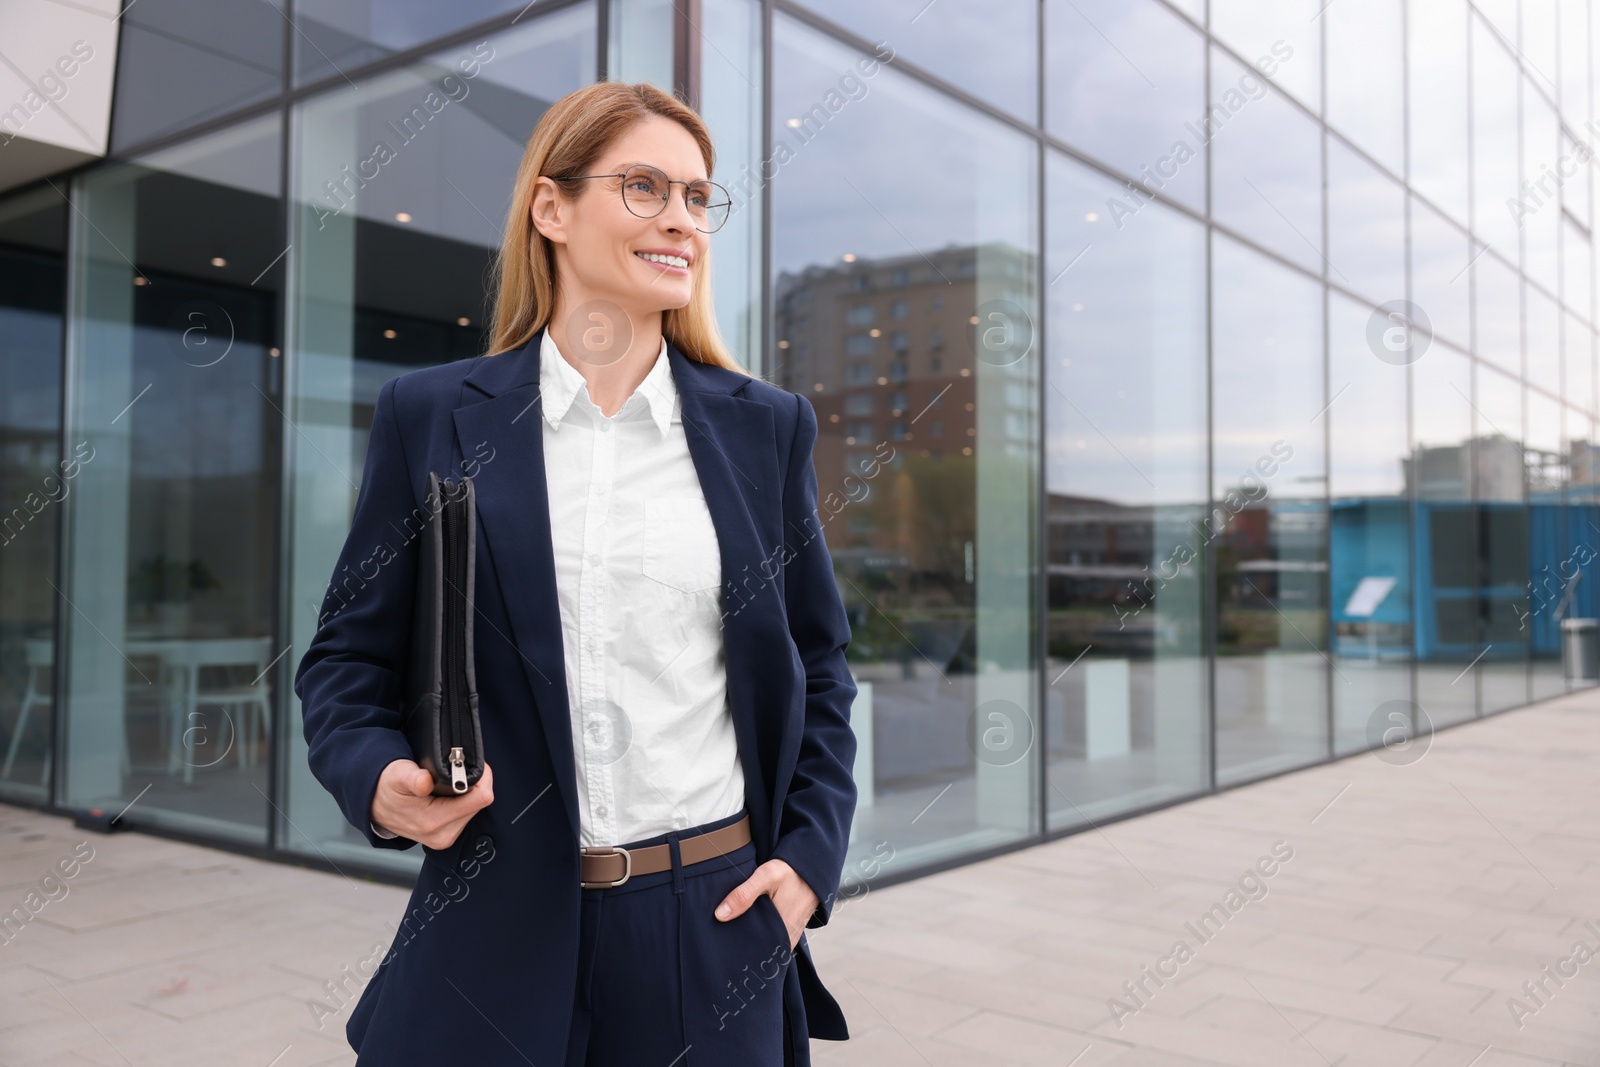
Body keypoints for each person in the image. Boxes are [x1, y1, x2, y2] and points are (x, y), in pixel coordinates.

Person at [293, 80, 859, 1067]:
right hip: (488, 920)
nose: (680, 217)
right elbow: (344, 662)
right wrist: (377, 781)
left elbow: (820, 673)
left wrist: (806, 863)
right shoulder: (429, 414)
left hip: (711, 920)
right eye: (644, 188)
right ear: (550, 209)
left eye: (696, 195)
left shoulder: (765, 430)